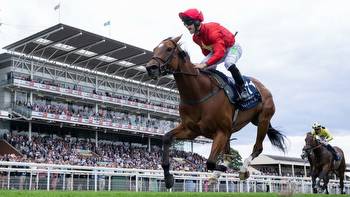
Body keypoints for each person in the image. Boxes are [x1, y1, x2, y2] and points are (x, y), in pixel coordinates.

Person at [179, 8, 249, 100]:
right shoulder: (195, 38)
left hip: (233, 47)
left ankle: (242, 88)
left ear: (197, 22)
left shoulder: (212, 31)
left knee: (228, 63)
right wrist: (208, 65)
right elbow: (207, 52)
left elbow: (220, 52)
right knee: (203, 67)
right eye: (185, 24)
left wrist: (206, 64)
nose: (187, 26)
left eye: (188, 23)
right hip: (218, 50)